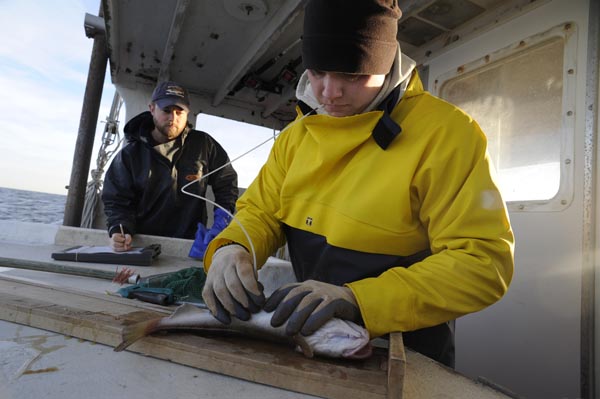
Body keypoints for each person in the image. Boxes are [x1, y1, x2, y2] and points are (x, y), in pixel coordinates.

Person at [201, 0, 514, 367]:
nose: (329, 93)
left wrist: (360, 300)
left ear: (386, 64)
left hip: (403, 351)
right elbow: (261, 211)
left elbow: (483, 262)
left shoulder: (447, 134)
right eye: (317, 71)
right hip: (309, 338)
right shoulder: (294, 137)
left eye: (352, 75)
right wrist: (233, 247)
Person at [102, 81, 238, 252]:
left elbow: (226, 182)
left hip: (190, 246)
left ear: (187, 112)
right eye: (166, 111)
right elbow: (116, 199)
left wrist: (222, 221)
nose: (173, 118)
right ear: (152, 108)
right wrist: (119, 228)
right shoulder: (130, 154)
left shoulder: (204, 145)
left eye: (179, 112)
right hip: (141, 244)